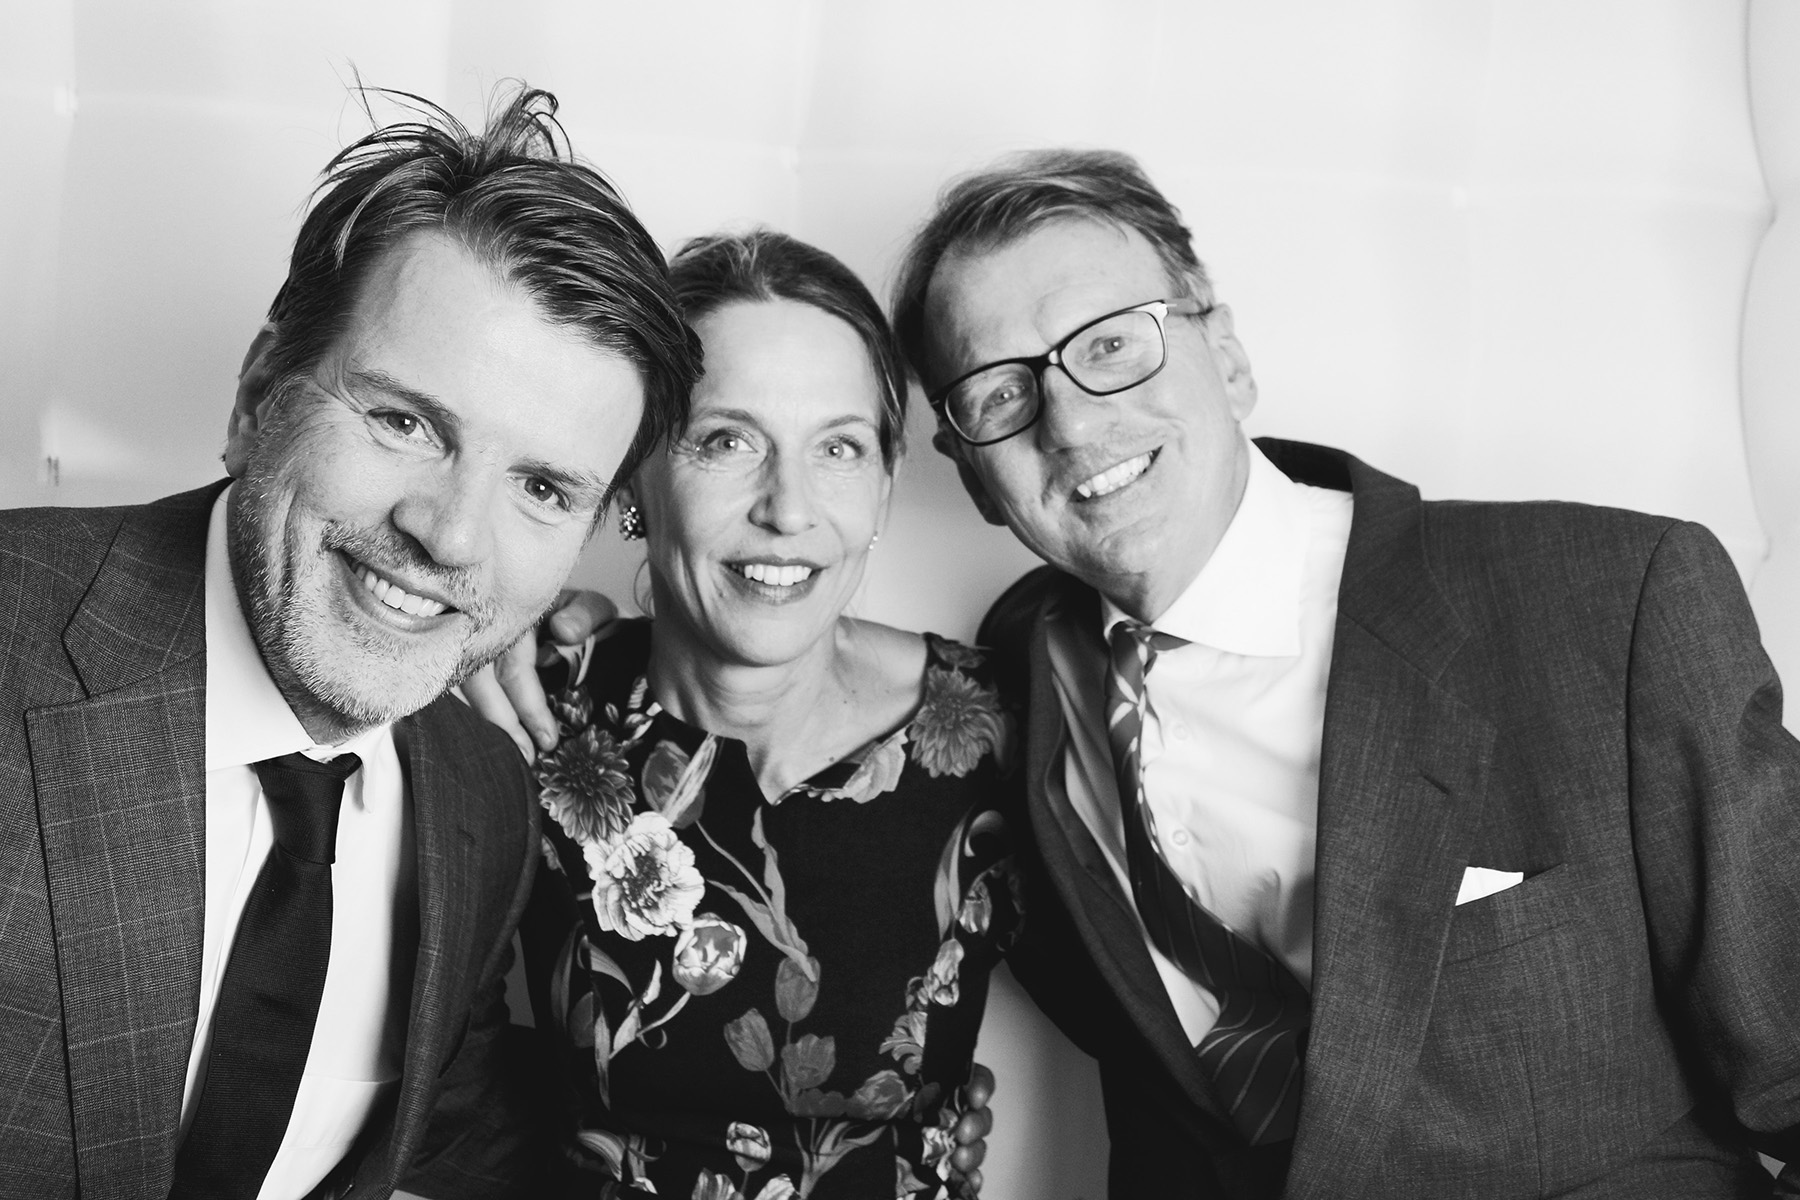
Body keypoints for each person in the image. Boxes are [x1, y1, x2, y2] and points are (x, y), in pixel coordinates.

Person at [879, 148, 1800, 1197]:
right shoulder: (1012, 681)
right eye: (1002, 392)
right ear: (973, 474)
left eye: (1112, 344)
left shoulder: (1611, 603)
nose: (1075, 422)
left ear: (1227, 356)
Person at [0, 86, 697, 1200]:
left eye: (542, 488)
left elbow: (449, 1140)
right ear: (258, 398)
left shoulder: (485, 800)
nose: (450, 535)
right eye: (404, 421)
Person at [513, 230, 1017, 1200]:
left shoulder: (994, 728)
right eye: (727, 441)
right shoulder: (532, 707)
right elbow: (422, 1057)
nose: (788, 508)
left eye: (839, 447)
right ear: (632, 475)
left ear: (885, 485)